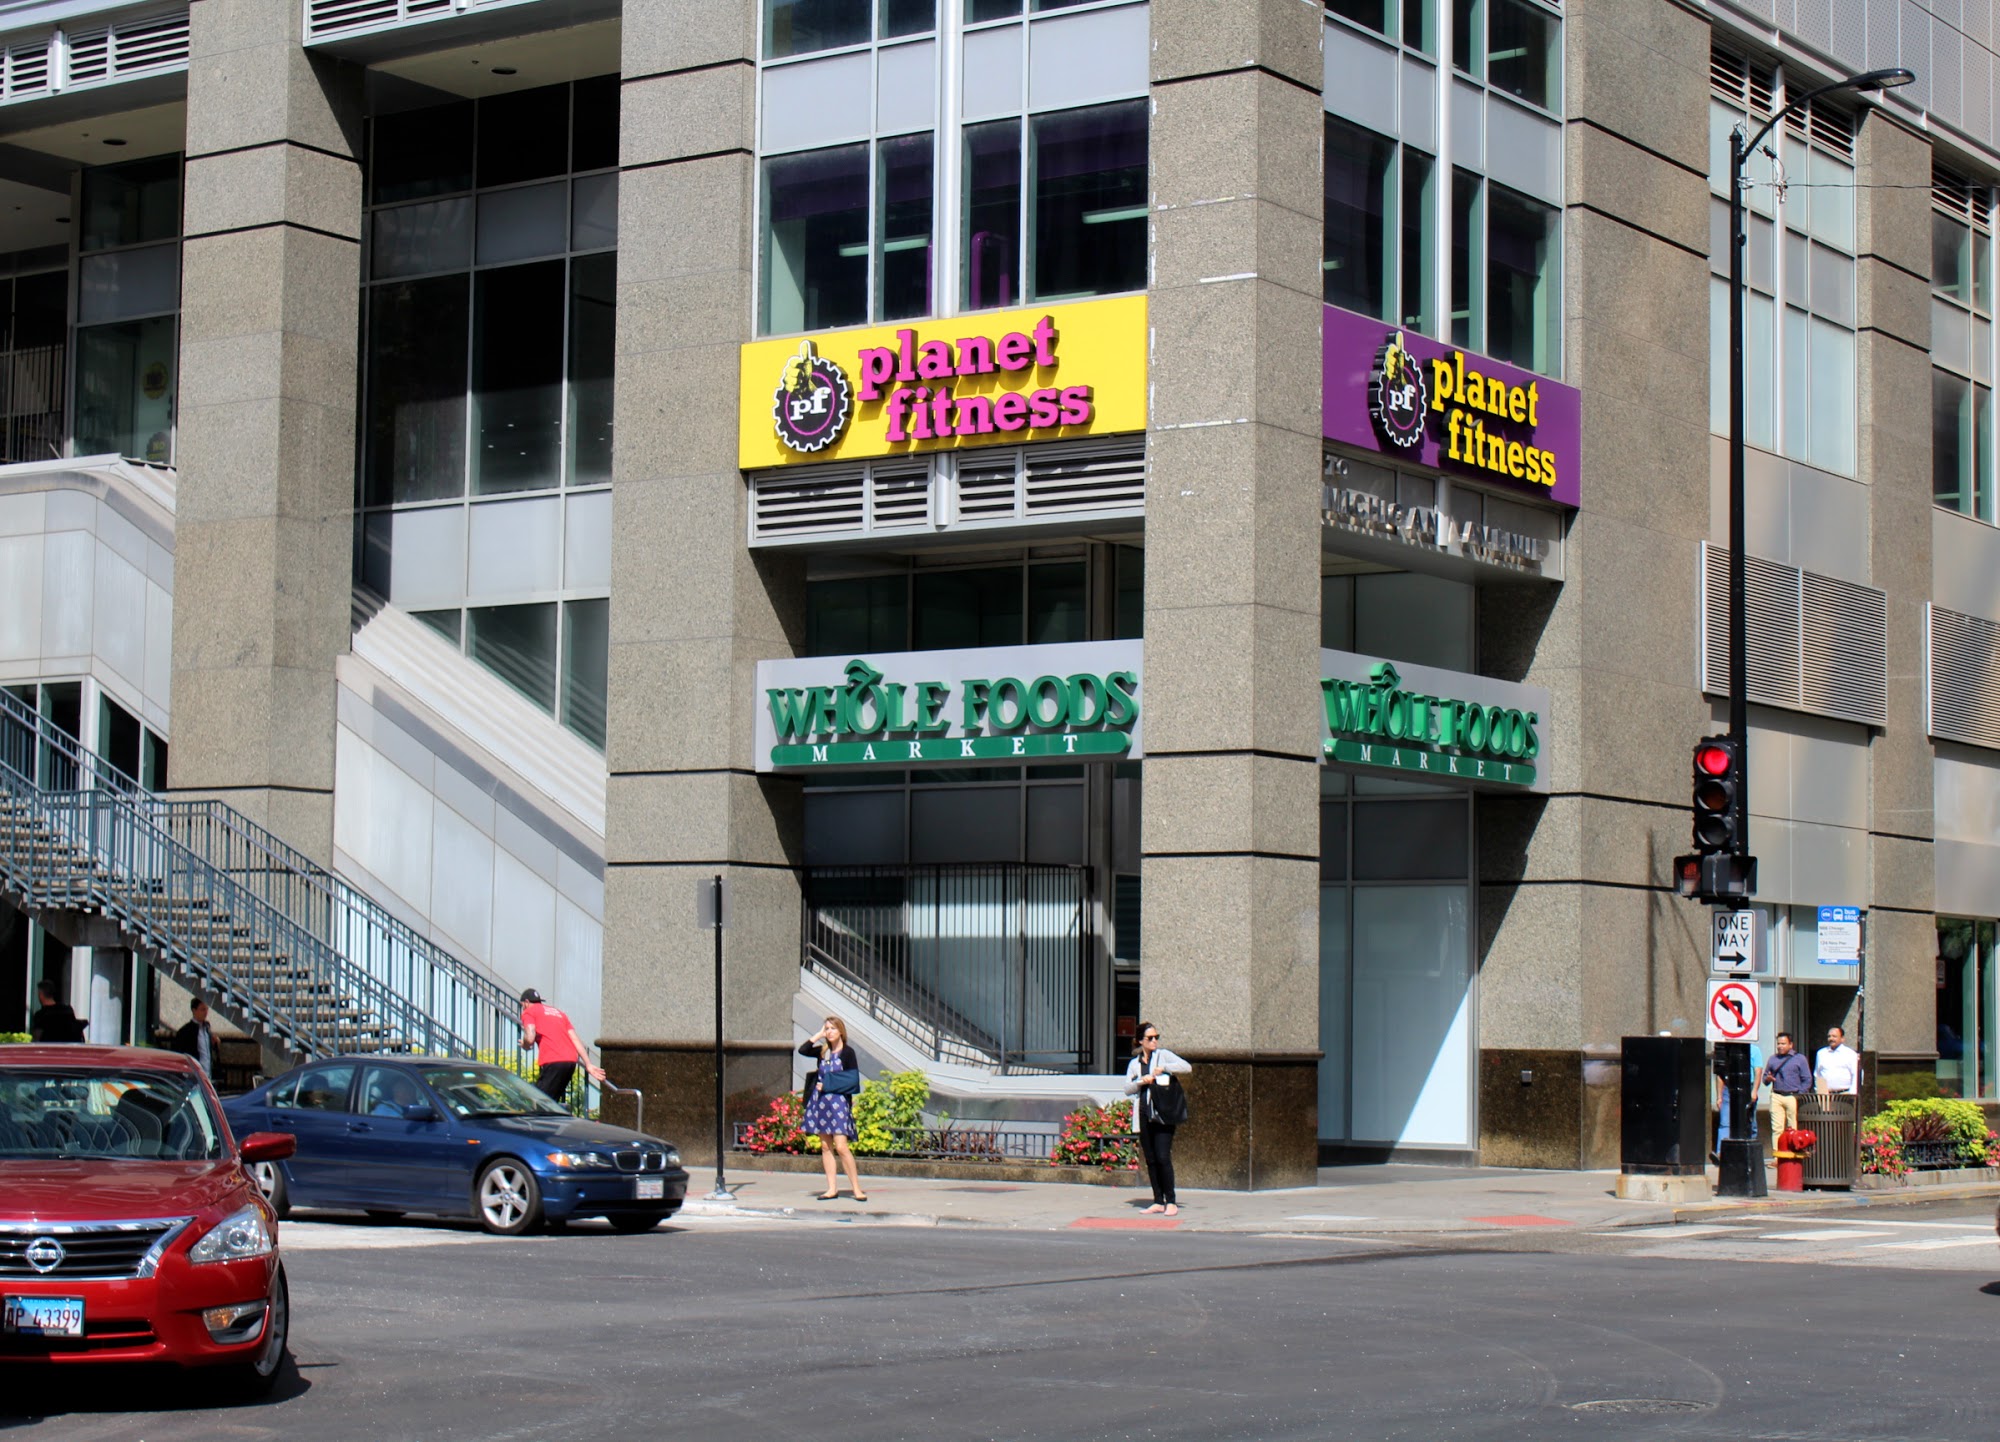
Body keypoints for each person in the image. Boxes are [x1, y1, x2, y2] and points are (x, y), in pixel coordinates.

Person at [1125, 1021, 1192, 1216]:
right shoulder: (1135, 1064)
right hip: (1144, 1113)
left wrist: (1164, 1068)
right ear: (1140, 1041)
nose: (1154, 1041)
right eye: (1150, 1038)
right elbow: (1127, 1088)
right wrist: (1141, 1081)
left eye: (1156, 1037)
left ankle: (1171, 1200)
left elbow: (1186, 1067)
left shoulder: (1163, 1055)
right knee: (1151, 1159)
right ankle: (1158, 1200)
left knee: (1163, 1157)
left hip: (1163, 1113)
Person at [798, 1016, 867, 1203]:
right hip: (821, 1102)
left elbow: (852, 1080)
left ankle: (856, 1188)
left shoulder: (847, 1053)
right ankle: (831, 1188)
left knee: (842, 1147)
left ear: (841, 1031)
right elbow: (803, 1050)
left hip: (838, 1102)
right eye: (827, 1029)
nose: (829, 1032)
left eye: (832, 1028)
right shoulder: (823, 1051)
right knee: (825, 1146)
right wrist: (818, 1035)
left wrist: (828, 1084)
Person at [519, 988, 605, 1104]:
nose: (523, 1008)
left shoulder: (529, 1012)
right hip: (570, 1061)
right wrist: (588, 1064)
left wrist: (525, 1044)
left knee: (540, 1101)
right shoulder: (559, 1013)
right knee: (551, 1101)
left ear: (526, 1002)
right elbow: (574, 1039)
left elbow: (529, 1037)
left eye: (522, 1005)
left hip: (554, 1060)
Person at [1761, 1031, 1814, 1141]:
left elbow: (1807, 1079)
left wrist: (1799, 1094)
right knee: (1777, 1128)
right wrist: (1768, 1079)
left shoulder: (1800, 1059)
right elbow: (1765, 1079)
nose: (1780, 1046)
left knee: (1792, 1127)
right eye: (1778, 1044)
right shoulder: (1773, 1059)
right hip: (1776, 1096)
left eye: (1783, 1044)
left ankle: (1791, 1149)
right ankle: (1777, 1150)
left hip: (1792, 1096)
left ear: (1790, 1045)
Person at [174, 997, 217, 1079]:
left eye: (206, 1009)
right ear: (194, 1011)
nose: (206, 1013)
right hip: (193, 1074)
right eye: (202, 1009)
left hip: (207, 1073)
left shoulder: (206, 1028)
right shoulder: (185, 1031)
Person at [1814, 1024, 1861, 1096]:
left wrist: (1852, 1094)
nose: (1831, 1038)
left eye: (1834, 1036)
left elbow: (1856, 1075)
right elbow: (1817, 1074)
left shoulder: (1850, 1054)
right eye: (1829, 1036)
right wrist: (1818, 1090)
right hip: (1825, 1095)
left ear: (1842, 1038)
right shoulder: (1821, 1053)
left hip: (1845, 1094)